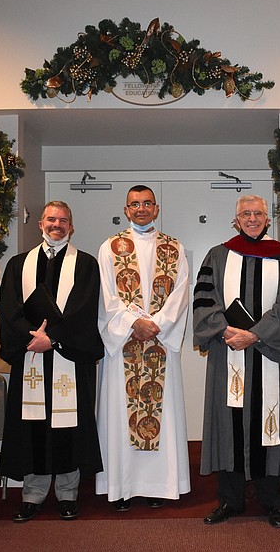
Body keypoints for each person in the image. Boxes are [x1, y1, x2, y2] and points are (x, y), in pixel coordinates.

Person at [192, 194, 280, 529]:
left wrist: (255, 334)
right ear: (236, 219)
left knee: (269, 426)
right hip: (229, 351)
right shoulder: (217, 255)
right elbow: (204, 300)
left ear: (268, 219)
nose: (252, 218)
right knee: (228, 424)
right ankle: (230, 500)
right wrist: (226, 330)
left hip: (268, 352)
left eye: (258, 213)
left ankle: (273, 501)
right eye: (246, 213)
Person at [0, 200, 104, 522]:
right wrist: (32, 339)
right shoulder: (18, 264)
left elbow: (85, 310)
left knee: (69, 423)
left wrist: (53, 338)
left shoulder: (86, 265)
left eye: (63, 220)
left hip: (68, 358)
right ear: (40, 224)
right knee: (32, 425)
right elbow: (8, 308)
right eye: (51, 219)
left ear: (71, 227)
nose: (56, 224)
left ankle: (68, 492)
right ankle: (33, 493)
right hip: (31, 356)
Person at [95, 185, 191, 510]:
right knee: (120, 417)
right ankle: (121, 487)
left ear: (157, 208)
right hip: (125, 346)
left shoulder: (174, 248)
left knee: (160, 413)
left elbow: (180, 295)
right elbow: (106, 297)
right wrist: (133, 324)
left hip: (160, 344)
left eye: (147, 203)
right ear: (126, 210)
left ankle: (158, 486)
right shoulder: (109, 248)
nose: (141, 208)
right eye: (134, 204)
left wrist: (157, 325)